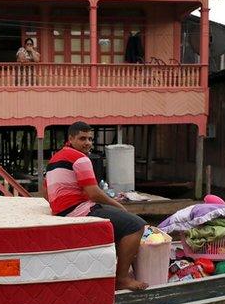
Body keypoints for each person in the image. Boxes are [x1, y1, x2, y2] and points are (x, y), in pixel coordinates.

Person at [42, 121, 148, 291]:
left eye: (90, 139)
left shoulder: (54, 159)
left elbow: (45, 192)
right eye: (82, 138)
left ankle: (115, 269)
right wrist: (119, 206)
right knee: (135, 225)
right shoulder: (80, 158)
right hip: (80, 210)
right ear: (70, 138)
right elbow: (93, 192)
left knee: (118, 222)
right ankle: (122, 279)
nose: (88, 143)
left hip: (63, 212)